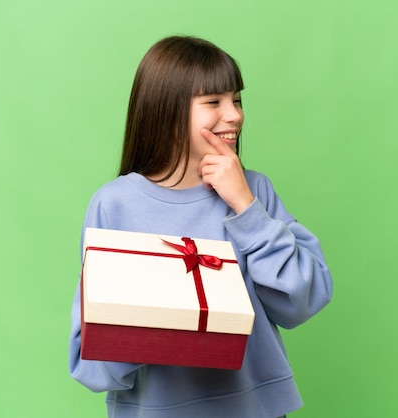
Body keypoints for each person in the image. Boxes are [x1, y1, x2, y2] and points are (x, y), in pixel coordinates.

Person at [68, 35, 333, 418]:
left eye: (237, 99)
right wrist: (157, 326)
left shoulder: (254, 190)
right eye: (214, 102)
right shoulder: (114, 204)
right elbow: (90, 358)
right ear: (166, 110)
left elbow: (302, 300)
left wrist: (245, 207)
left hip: (255, 409)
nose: (235, 114)